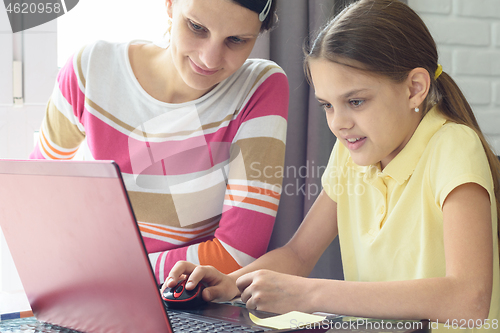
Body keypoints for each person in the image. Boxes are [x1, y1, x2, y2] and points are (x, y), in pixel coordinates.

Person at [163, 0, 500, 331]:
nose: (339, 123)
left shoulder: (453, 146)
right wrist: (230, 283)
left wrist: (310, 294)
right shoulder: (351, 152)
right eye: (327, 105)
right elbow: (297, 255)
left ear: (414, 89)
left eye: (355, 101)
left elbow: (468, 300)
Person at [29, 0, 289, 284]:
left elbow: (236, 256)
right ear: (169, 4)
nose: (210, 59)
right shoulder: (91, 70)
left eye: (236, 40)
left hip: (183, 303)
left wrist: (102, 272)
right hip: (85, 292)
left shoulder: (259, 87)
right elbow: (35, 196)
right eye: (197, 27)